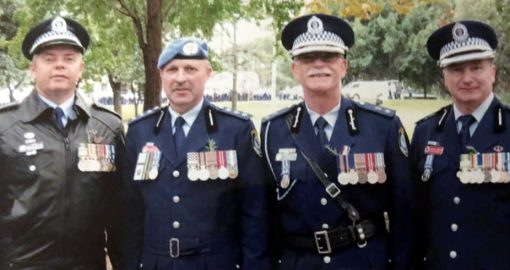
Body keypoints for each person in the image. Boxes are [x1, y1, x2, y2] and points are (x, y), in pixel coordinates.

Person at [261, 13, 414, 269]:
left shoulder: (382, 126)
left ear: (344, 66)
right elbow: (263, 216)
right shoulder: (273, 130)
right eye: (308, 58)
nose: (319, 65)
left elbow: (405, 213)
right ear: (294, 69)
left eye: (329, 57)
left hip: (363, 260)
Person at [121, 37, 268, 270]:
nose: (180, 78)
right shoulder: (140, 131)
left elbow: (255, 213)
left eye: (190, 69)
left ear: (207, 73)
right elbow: (130, 212)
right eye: (172, 70)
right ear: (161, 75)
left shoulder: (235, 129)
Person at [0, 16, 124, 269]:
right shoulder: (5, 126)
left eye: (69, 59)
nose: (59, 66)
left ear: (81, 69)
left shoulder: (107, 127)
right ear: (32, 69)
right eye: (49, 59)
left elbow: (120, 210)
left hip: (87, 264)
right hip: (21, 264)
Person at [410, 20, 510, 269]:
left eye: (476, 67)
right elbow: (415, 214)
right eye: (455, 69)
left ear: (493, 72)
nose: (467, 78)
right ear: (444, 76)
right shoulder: (426, 132)